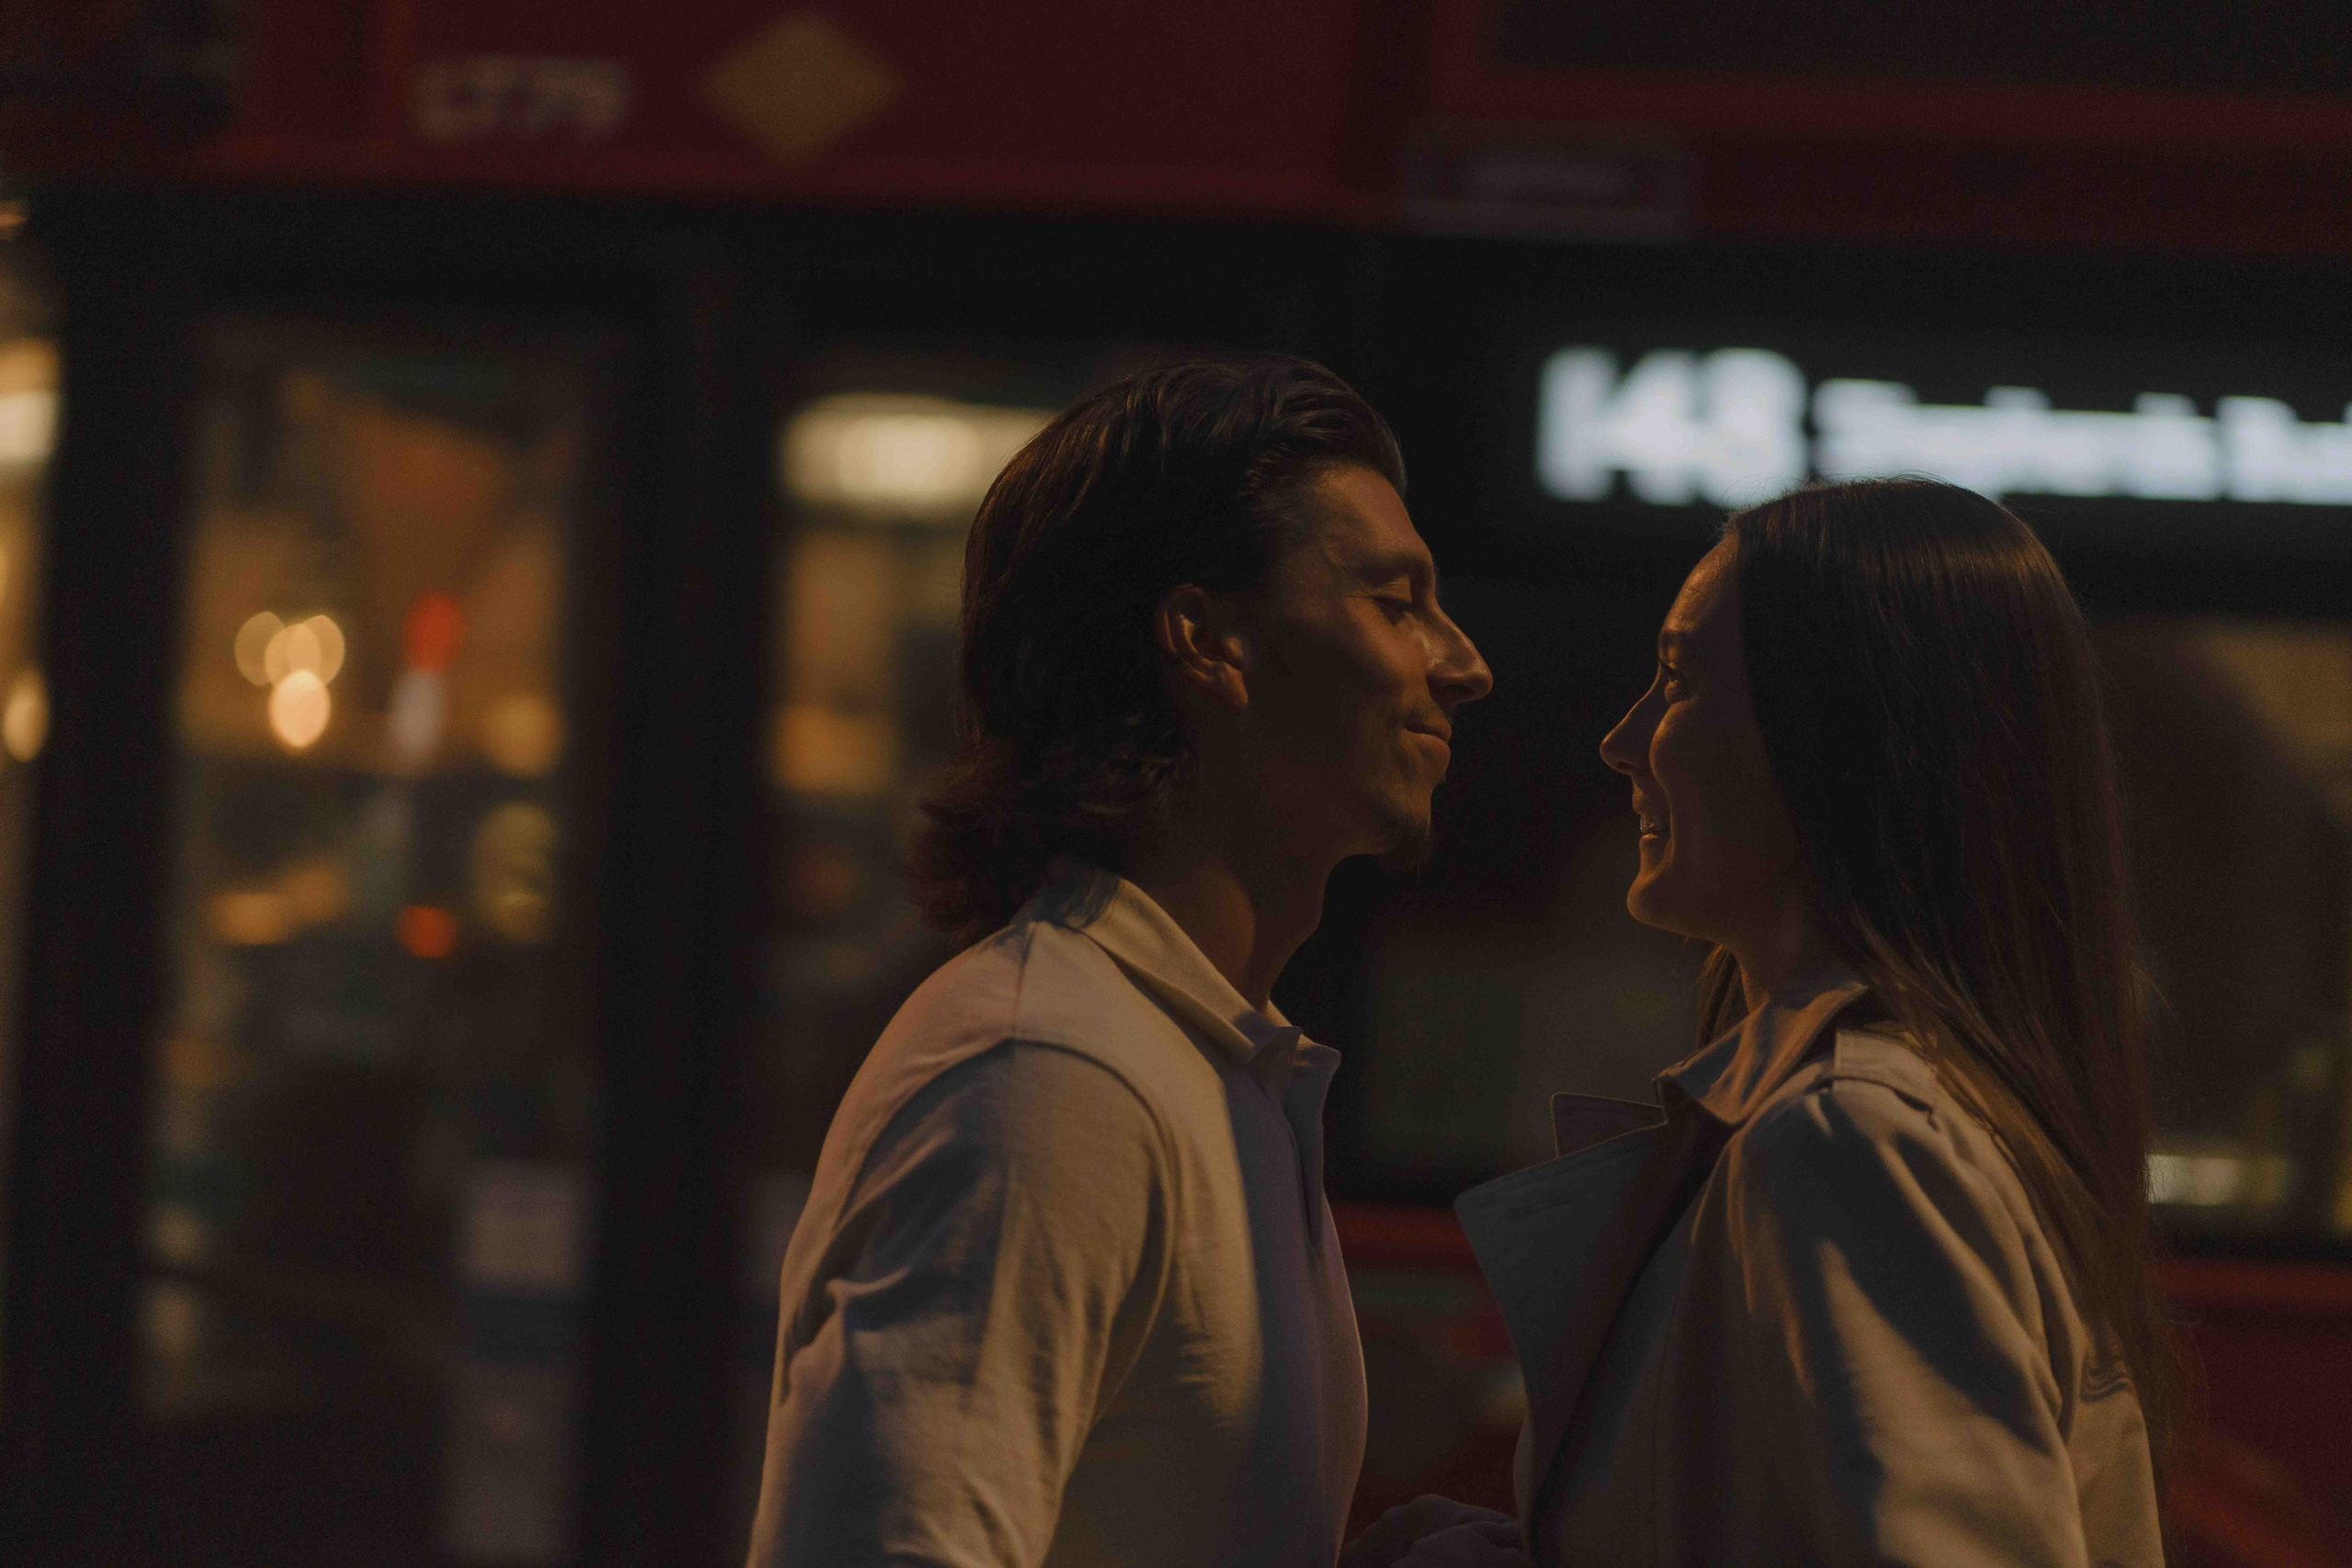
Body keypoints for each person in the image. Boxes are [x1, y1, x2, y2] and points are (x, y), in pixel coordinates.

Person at [747, 355, 1493, 1568]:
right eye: (1395, 601)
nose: (1462, 662)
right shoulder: (1045, 1075)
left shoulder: (1203, 1061)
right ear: (1207, 641)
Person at [1350, 478, 2170, 1568]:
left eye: (1678, 680)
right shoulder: (1881, 1113)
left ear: (1832, 732)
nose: (1621, 737)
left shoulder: (1850, 1137)